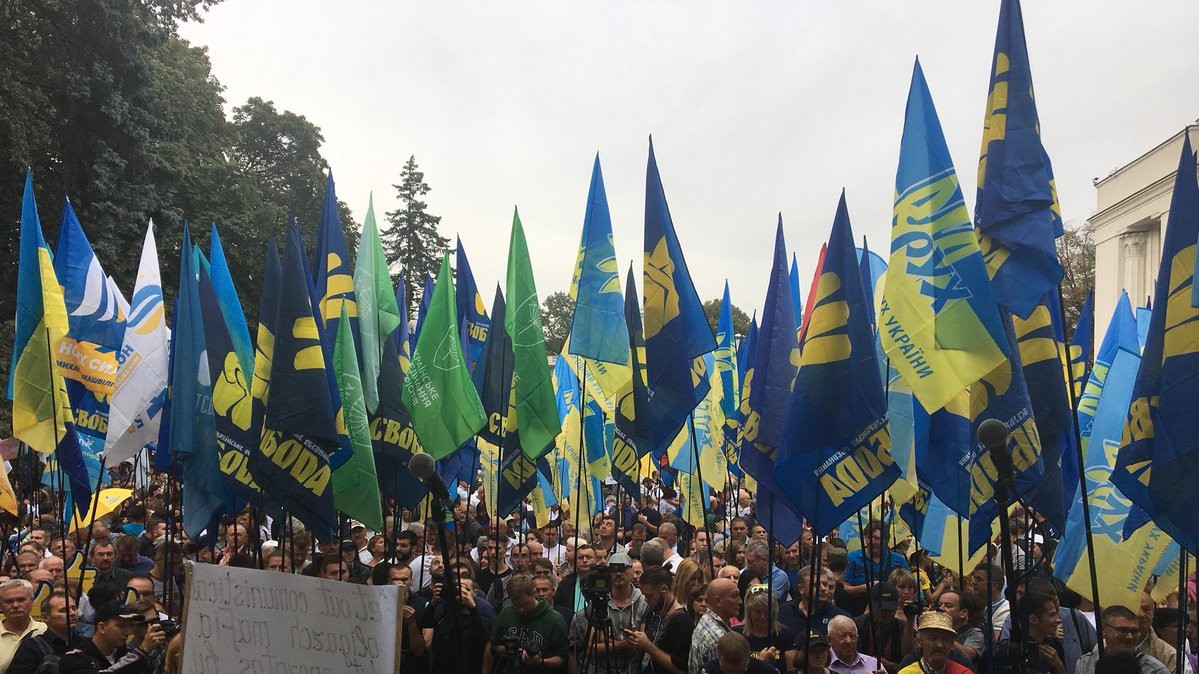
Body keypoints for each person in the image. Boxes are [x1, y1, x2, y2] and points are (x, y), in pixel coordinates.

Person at [569, 552, 647, 673]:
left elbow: (639, 646)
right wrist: (624, 644)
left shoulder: (643, 602)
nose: (619, 573)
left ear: (632, 570)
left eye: (623, 569)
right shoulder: (598, 602)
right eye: (614, 570)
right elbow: (592, 649)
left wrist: (609, 643)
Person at [483, 575, 569, 674]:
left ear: (533, 593)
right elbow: (493, 646)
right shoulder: (507, 614)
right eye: (517, 605)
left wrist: (541, 662)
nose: (521, 609)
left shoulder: (554, 620)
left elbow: (563, 658)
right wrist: (509, 648)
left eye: (525, 604)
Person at [58, 601, 165, 674]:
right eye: (121, 626)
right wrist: (142, 650)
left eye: (130, 626)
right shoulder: (74, 658)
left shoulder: (127, 655)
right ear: (102, 627)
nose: (128, 632)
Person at [626, 566, 693, 674]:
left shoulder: (681, 621)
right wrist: (637, 642)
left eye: (650, 596)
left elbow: (681, 670)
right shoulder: (654, 611)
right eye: (645, 596)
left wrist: (647, 645)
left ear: (664, 589)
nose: (646, 600)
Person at [1076, 606, 1171, 674]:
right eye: (1122, 631)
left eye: (1134, 631)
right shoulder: (1086, 664)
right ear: (1103, 631)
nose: (1129, 637)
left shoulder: (1155, 670)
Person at [844, 522, 908, 616]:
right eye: (869, 538)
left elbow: (909, 585)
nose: (872, 542)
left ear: (886, 540)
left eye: (877, 538)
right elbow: (844, 588)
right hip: (858, 611)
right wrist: (867, 587)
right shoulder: (852, 557)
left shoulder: (899, 560)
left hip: (891, 612)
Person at [996, 590, 1067, 674]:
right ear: (1033, 619)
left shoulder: (1055, 645)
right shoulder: (1010, 650)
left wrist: (1059, 666)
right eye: (1052, 615)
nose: (1058, 620)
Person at [9, 588, 76, 674]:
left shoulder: (85, 643)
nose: (72, 613)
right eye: (63, 610)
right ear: (45, 617)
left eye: (74, 608)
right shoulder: (32, 647)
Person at [737, 584, 797, 674]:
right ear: (749, 611)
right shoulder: (737, 635)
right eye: (758, 612)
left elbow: (792, 670)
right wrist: (762, 663)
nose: (763, 616)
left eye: (767, 611)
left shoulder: (785, 634)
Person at [779, 566, 850, 639]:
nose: (823, 589)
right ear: (801, 589)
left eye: (825, 584)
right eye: (816, 585)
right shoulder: (782, 613)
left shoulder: (840, 617)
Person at [690, 578, 743, 674]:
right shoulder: (718, 639)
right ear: (718, 601)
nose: (740, 601)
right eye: (734, 596)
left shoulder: (706, 619)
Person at [896, 612, 971, 674]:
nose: (939, 645)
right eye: (932, 639)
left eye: (945, 639)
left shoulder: (963, 672)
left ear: (951, 644)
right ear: (919, 642)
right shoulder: (908, 672)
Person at [854, 581, 904, 672]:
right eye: (883, 610)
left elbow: (910, 661)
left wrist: (892, 666)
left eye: (891, 609)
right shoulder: (857, 626)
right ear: (871, 606)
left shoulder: (902, 627)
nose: (887, 614)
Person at [0, 579, 47, 671]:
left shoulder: (46, 630)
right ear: (0, 606)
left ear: (32, 601)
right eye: (9, 601)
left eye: (21, 600)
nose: (15, 605)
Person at [936, 590, 985, 667]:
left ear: (963, 613)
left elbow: (968, 656)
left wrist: (945, 633)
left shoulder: (974, 633)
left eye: (948, 606)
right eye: (939, 605)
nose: (941, 609)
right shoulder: (932, 630)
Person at [699, 632, 777, 674]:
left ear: (747, 658)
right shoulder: (708, 670)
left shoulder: (766, 671)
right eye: (728, 671)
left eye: (739, 671)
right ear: (720, 659)